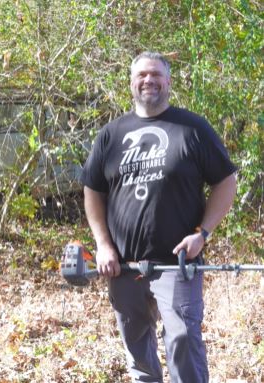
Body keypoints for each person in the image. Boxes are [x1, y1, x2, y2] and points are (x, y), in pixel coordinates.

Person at [81, 52, 237, 383]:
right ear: (131, 83)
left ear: (167, 82)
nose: (148, 80)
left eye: (155, 75)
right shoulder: (111, 135)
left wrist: (203, 234)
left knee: (182, 341)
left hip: (179, 263)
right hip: (124, 265)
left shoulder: (192, 129)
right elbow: (92, 191)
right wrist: (103, 245)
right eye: (141, 75)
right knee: (137, 349)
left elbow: (226, 181)